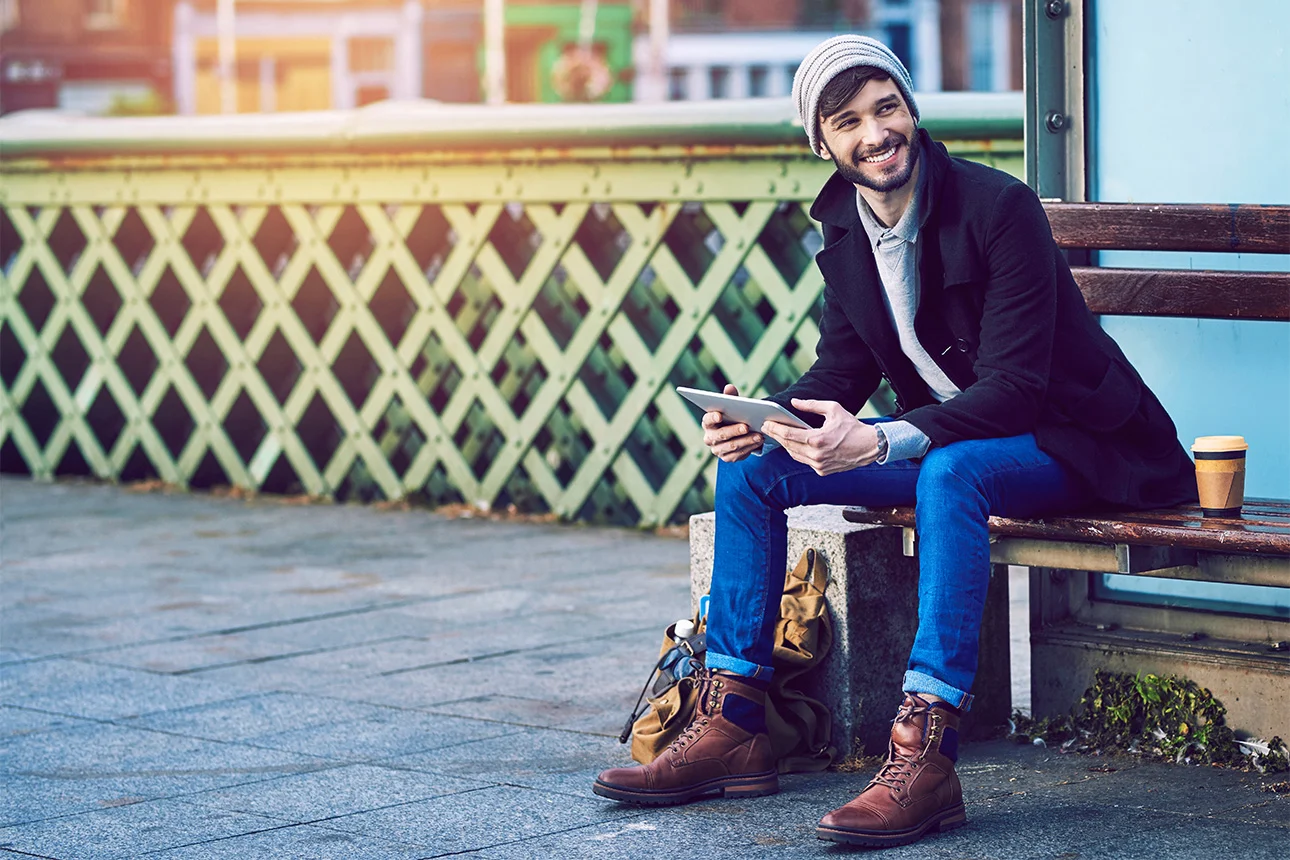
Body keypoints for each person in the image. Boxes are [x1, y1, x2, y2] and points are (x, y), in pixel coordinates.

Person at [592, 35, 1196, 848]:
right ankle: (735, 720)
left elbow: (1015, 389)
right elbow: (837, 375)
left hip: (1076, 443)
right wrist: (764, 419)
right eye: (848, 121)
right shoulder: (844, 234)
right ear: (824, 144)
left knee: (947, 471)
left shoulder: (997, 207)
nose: (875, 133)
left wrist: (878, 445)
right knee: (756, 475)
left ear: (911, 110)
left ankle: (926, 749)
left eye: (887, 108)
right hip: (956, 449)